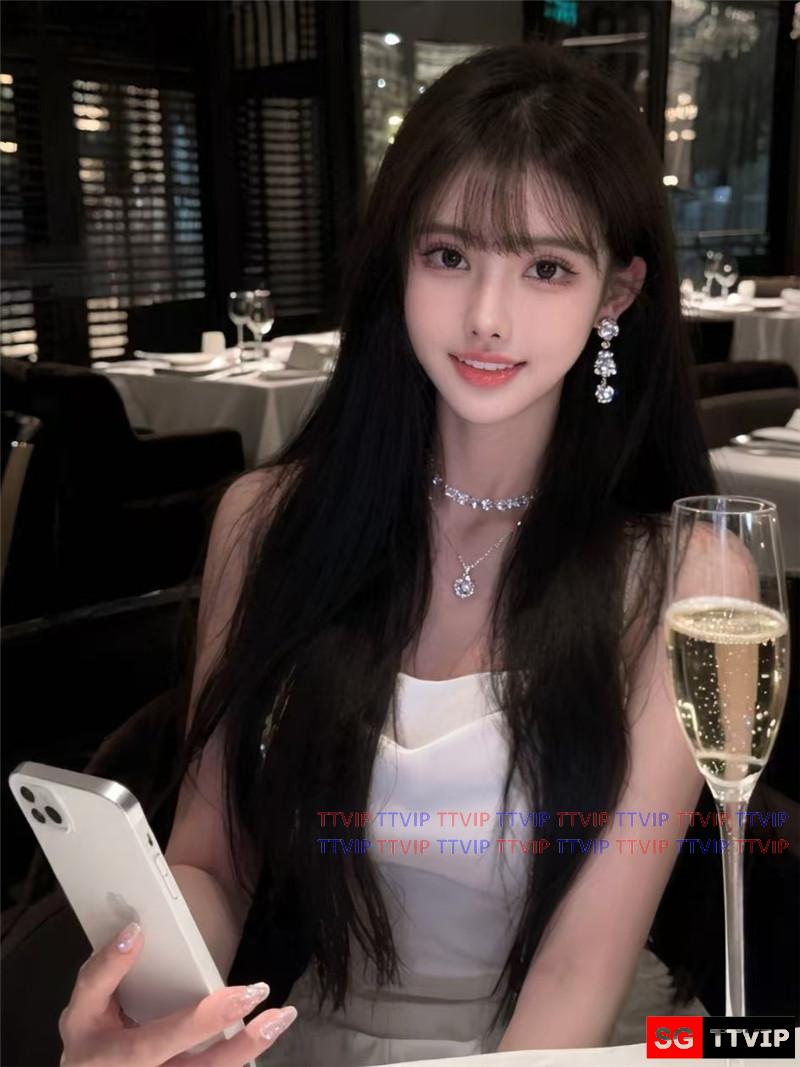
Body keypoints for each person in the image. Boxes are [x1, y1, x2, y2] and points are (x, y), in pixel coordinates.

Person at [57, 39, 734, 1067]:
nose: (487, 317)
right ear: (397, 261)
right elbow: (213, 860)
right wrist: (151, 1002)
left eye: (546, 267)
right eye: (449, 255)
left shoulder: (683, 576)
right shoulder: (265, 521)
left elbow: (578, 968)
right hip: (309, 1033)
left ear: (616, 293)